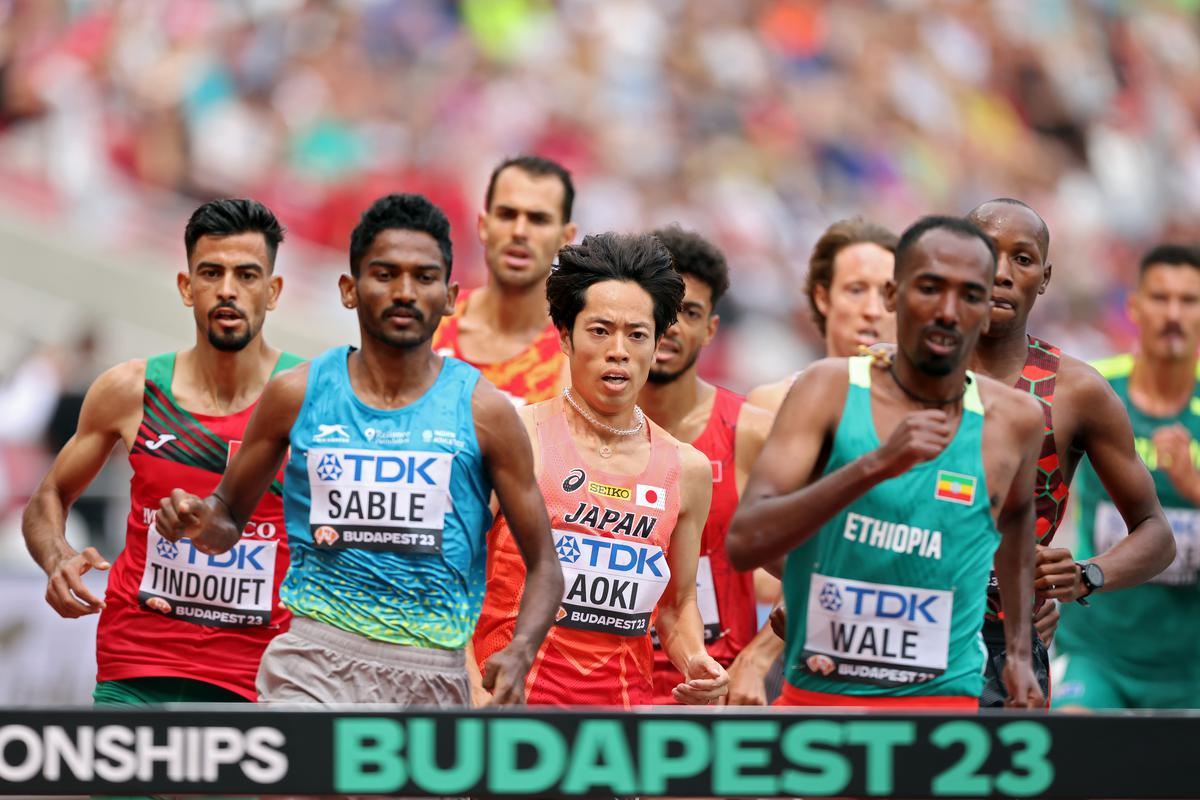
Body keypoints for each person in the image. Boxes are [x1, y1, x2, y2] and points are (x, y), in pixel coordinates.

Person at [157, 193, 563, 706]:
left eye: (424, 277)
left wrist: (521, 649)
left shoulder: (485, 411)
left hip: (432, 675)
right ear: (350, 289)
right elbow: (226, 519)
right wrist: (197, 522)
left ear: (450, 295)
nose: (404, 292)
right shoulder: (296, 394)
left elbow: (545, 564)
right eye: (385, 274)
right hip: (312, 664)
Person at [727, 216, 1046, 709]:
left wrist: (1020, 652)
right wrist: (873, 465)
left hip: (941, 706)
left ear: (986, 311)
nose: (947, 311)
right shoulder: (826, 389)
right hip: (822, 699)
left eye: (968, 295)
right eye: (929, 288)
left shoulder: (1017, 420)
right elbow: (746, 542)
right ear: (894, 296)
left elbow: (1019, 521)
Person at [22, 198, 301, 704]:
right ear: (185, 286)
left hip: (262, 681)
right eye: (211, 272)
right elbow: (50, 495)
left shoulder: (313, 395)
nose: (228, 290)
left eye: (248, 275)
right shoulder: (131, 389)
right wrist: (57, 557)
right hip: (137, 668)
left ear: (274, 291)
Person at [472, 232, 730, 707]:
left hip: (611, 737)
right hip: (505, 716)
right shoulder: (516, 436)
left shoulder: (686, 469)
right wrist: (472, 694)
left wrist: (697, 660)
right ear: (565, 336)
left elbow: (677, 607)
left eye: (637, 334)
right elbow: (453, 574)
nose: (619, 350)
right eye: (600, 330)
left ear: (656, 344)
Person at [964, 199, 1174, 708]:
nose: (1004, 273)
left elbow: (1156, 533)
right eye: (988, 253)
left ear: (1045, 277)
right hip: (903, 631)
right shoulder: (901, 374)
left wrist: (1086, 575)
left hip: (1005, 647)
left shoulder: (1077, 391)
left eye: (1023, 258)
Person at [1053, 243, 1200, 710]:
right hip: (1099, 651)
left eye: (1189, 300)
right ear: (1134, 307)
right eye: (1160, 298)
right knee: (1072, 755)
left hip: (1189, 664)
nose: (1173, 313)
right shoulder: (1092, 390)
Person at [637, 225, 778, 705]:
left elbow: (824, 565)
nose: (672, 325)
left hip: (708, 696)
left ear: (711, 329)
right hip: (604, 689)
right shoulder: (575, 431)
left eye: (690, 312)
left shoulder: (752, 432)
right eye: (661, 306)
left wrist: (756, 662)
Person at [433, 155, 577, 405]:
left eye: (538, 219)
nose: (519, 231)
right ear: (483, 225)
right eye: (507, 214)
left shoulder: (575, 353)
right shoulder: (432, 323)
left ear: (566, 237)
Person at [747, 217, 897, 412]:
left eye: (887, 294)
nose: (872, 310)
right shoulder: (775, 403)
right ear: (823, 298)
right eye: (856, 290)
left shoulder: (927, 405)